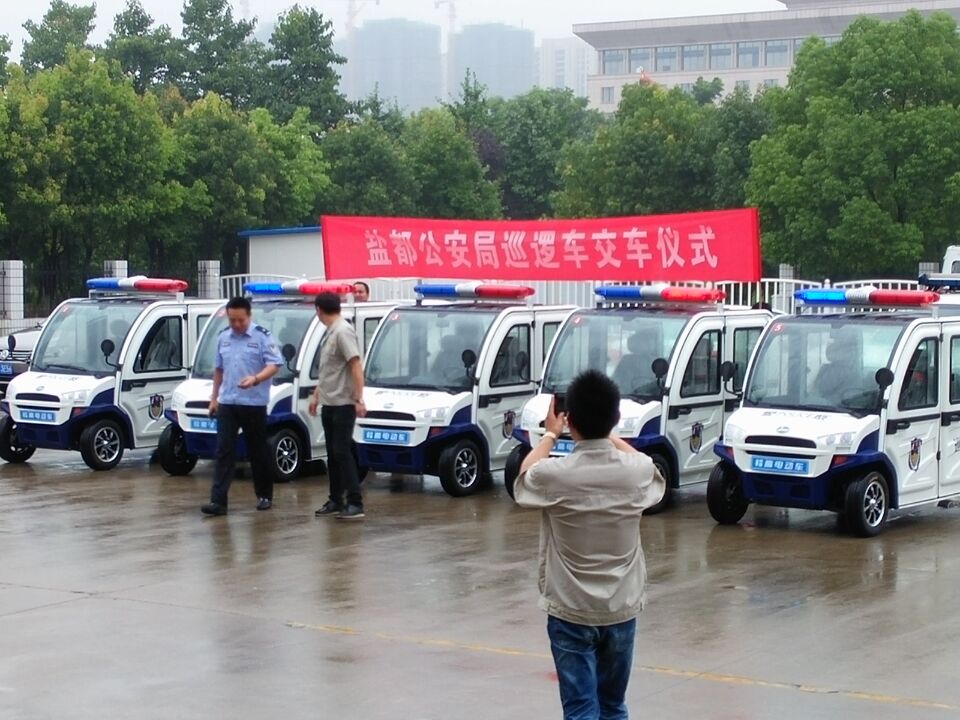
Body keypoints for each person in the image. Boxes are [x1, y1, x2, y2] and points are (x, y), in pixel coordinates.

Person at [513, 369, 665, 720]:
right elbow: (647, 467)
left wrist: (551, 435)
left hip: (571, 609)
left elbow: (523, 477)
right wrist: (608, 434)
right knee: (613, 705)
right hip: (620, 607)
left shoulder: (555, 475)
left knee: (581, 708)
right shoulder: (636, 472)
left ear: (570, 420)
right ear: (615, 417)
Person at [201, 297, 283, 517]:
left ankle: (264, 495)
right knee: (223, 451)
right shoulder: (223, 338)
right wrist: (214, 398)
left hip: (253, 403)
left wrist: (256, 379)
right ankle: (218, 501)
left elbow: (275, 364)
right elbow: (219, 369)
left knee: (258, 451)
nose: (236, 324)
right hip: (228, 402)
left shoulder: (262, 336)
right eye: (232, 320)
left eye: (241, 320)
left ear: (249, 316)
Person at [309, 292, 367, 520]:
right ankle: (336, 499)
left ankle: (355, 502)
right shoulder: (331, 332)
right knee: (333, 454)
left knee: (342, 452)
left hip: (343, 403)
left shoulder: (343, 331)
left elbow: (355, 365)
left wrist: (359, 399)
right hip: (329, 402)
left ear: (318, 310)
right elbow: (329, 370)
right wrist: (316, 396)